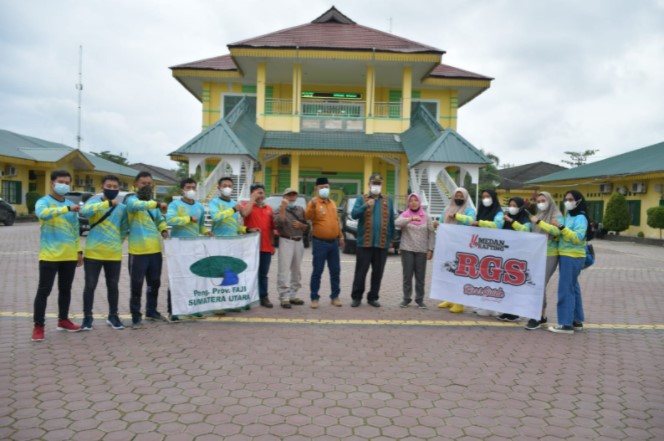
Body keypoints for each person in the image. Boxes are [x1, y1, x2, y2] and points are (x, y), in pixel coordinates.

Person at [31, 170, 83, 341]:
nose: (64, 185)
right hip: (49, 255)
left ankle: (63, 320)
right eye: (61, 181)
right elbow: (42, 215)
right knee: (44, 291)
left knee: (65, 290)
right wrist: (66, 208)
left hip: (68, 255)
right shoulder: (43, 202)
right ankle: (38, 326)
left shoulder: (71, 205)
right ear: (52, 183)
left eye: (67, 182)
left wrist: (78, 251)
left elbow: (75, 230)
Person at [79, 175, 129, 331]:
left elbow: (124, 228)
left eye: (115, 187)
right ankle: (87, 318)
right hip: (94, 252)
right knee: (90, 286)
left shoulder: (122, 208)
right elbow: (85, 212)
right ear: (102, 187)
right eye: (109, 186)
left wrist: (117, 242)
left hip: (113, 253)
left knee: (113, 286)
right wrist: (107, 203)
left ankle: (113, 316)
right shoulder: (93, 203)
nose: (112, 189)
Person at [125, 171, 169, 328]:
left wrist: (163, 229)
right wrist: (155, 204)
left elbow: (160, 220)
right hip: (138, 252)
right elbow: (136, 206)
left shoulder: (153, 204)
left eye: (149, 183)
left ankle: (151, 310)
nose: (147, 186)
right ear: (135, 184)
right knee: (136, 284)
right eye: (143, 183)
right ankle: (136, 315)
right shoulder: (131, 201)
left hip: (155, 251)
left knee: (155, 282)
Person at [166, 178, 212, 321]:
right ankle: (174, 311)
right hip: (178, 246)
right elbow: (170, 220)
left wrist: (206, 231)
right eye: (188, 187)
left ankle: (194, 308)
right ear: (182, 190)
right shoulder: (175, 205)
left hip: (194, 246)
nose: (191, 190)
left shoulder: (199, 207)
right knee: (176, 278)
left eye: (193, 187)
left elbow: (200, 226)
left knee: (194, 277)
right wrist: (187, 219)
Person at [349, 173, 396, 308]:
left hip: (382, 242)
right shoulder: (362, 198)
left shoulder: (387, 200)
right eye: (374, 183)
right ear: (369, 184)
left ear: (381, 185)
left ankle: (373, 297)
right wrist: (365, 205)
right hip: (365, 242)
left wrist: (392, 238)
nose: (376, 186)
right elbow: (354, 214)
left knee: (378, 272)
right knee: (361, 272)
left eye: (378, 184)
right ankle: (356, 297)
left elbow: (391, 220)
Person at [547, 190, 589, 334]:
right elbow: (561, 233)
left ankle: (565, 324)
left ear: (578, 201)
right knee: (573, 287)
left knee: (565, 289)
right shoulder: (569, 216)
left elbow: (578, 237)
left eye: (570, 199)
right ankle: (576, 321)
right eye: (566, 199)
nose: (567, 202)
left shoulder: (581, 218)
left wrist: (561, 227)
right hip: (566, 255)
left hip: (573, 256)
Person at [526, 191, 564, 330]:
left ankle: (537, 316)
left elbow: (557, 231)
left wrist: (540, 223)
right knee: (534, 283)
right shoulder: (538, 216)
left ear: (550, 201)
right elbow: (531, 231)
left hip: (550, 254)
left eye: (543, 200)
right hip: (536, 253)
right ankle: (540, 316)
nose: (541, 203)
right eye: (539, 201)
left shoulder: (557, 216)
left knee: (539, 284)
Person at [305, 177, 344, 309]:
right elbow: (307, 217)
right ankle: (314, 298)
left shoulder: (332, 203)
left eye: (326, 186)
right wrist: (313, 205)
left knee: (335, 271)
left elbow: (336, 221)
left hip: (333, 243)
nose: (324, 189)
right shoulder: (313, 203)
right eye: (321, 187)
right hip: (319, 243)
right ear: (316, 189)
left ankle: (335, 296)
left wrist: (340, 236)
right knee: (317, 271)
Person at [435, 187, 476, 313]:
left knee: (460, 274)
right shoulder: (447, 209)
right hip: (448, 245)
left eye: (461, 196)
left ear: (465, 197)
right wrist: (437, 224)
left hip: (462, 247)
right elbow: (442, 222)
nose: (458, 198)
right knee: (449, 272)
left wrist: (456, 216)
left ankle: (459, 303)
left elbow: (470, 221)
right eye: (456, 196)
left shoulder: (469, 210)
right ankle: (449, 299)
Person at [469, 189, 505, 316]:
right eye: (483, 197)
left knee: (494, 277)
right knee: (482, 276)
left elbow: (497, 225)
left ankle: (496, 306)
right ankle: (482, 305)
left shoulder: (499, 212)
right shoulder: (481, 212)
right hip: (481, 248)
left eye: (488, 196)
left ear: (493, 197)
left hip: (495, 248)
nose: (485, 199)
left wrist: (480, 223)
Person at [496, 196, 532, 322]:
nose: (512, 208)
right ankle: (506, 310)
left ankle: (515, 312)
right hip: (506, 255)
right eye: (510, 205)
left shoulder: (525, 219)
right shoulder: (505, 220)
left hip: (519, 256)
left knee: (515, 283)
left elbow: (526, 230)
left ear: (521, 207)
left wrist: (512, 221)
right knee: (505, 283)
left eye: (515, 205)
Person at [395, 193, 434, 309]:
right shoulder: (405, 214)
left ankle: (420, 299)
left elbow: (431, 233)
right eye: (411, 200)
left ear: (419, 202)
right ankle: (406, 298)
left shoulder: (426, 216)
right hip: (407, 249)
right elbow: (396, 223)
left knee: (420, 276)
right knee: (407, 275)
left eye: (415, 200)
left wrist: (430, 249)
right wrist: (410, 218)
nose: (413, 202)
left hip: (422, 250)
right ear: (408, 203)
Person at [240, 183, 274, 308]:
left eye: (262, 192)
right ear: (251, 194)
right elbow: (244, 214)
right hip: (250, 247)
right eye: (257, 192)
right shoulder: (246, 205)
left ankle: (263, 296)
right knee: (249, 273)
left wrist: (272, 245)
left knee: (263, 274)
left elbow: (271, 228)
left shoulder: (268, 208)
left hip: (265, 247)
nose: (260, 195)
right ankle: (248, 298)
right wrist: (252, 199)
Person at [274, 188, 308, 309]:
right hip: (286, 240)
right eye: (289, 195)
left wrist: (302, 225)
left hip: (299, 241)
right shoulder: (278, 209)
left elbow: (306, 226)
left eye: (294, 195)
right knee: (284, 269)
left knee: (296, 270)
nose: (292, 197)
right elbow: (280, 222)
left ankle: (293, 295)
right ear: (284, 197)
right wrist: (283, 207)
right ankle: (284, 297)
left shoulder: (300, 209)